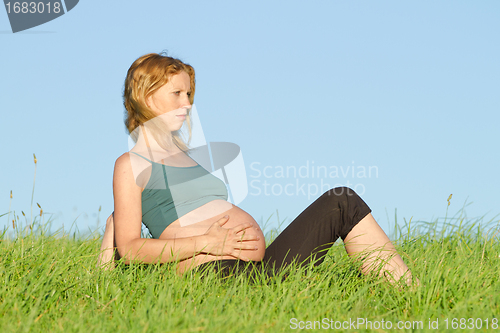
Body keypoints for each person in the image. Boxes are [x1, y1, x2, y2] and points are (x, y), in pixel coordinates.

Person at [98, 52, 417, 285]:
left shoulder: (185, 156)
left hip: (256, 273)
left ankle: (409, 299)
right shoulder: (131, 163)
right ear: (148, 96)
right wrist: (205, 243)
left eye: (189, 94)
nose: (187, 103)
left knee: (342, 201)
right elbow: (130, 248)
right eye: (177, 94)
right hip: (214, 277)